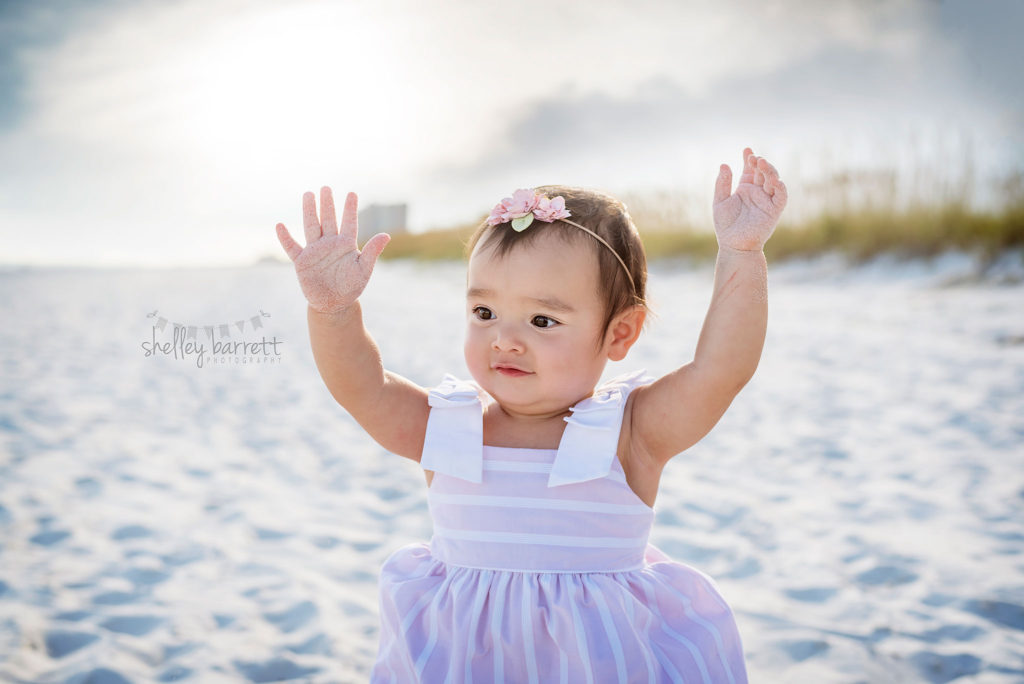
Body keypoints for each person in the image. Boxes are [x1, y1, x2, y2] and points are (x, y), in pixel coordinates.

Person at [275, 148, 787, 683]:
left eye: (542, 320)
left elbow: (720, 371)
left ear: (619, 334)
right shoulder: (449, 426)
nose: (506, 340)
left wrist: (742, 251)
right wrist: (333, 312)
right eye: (484, 312)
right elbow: (363, 387)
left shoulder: (629, 433)